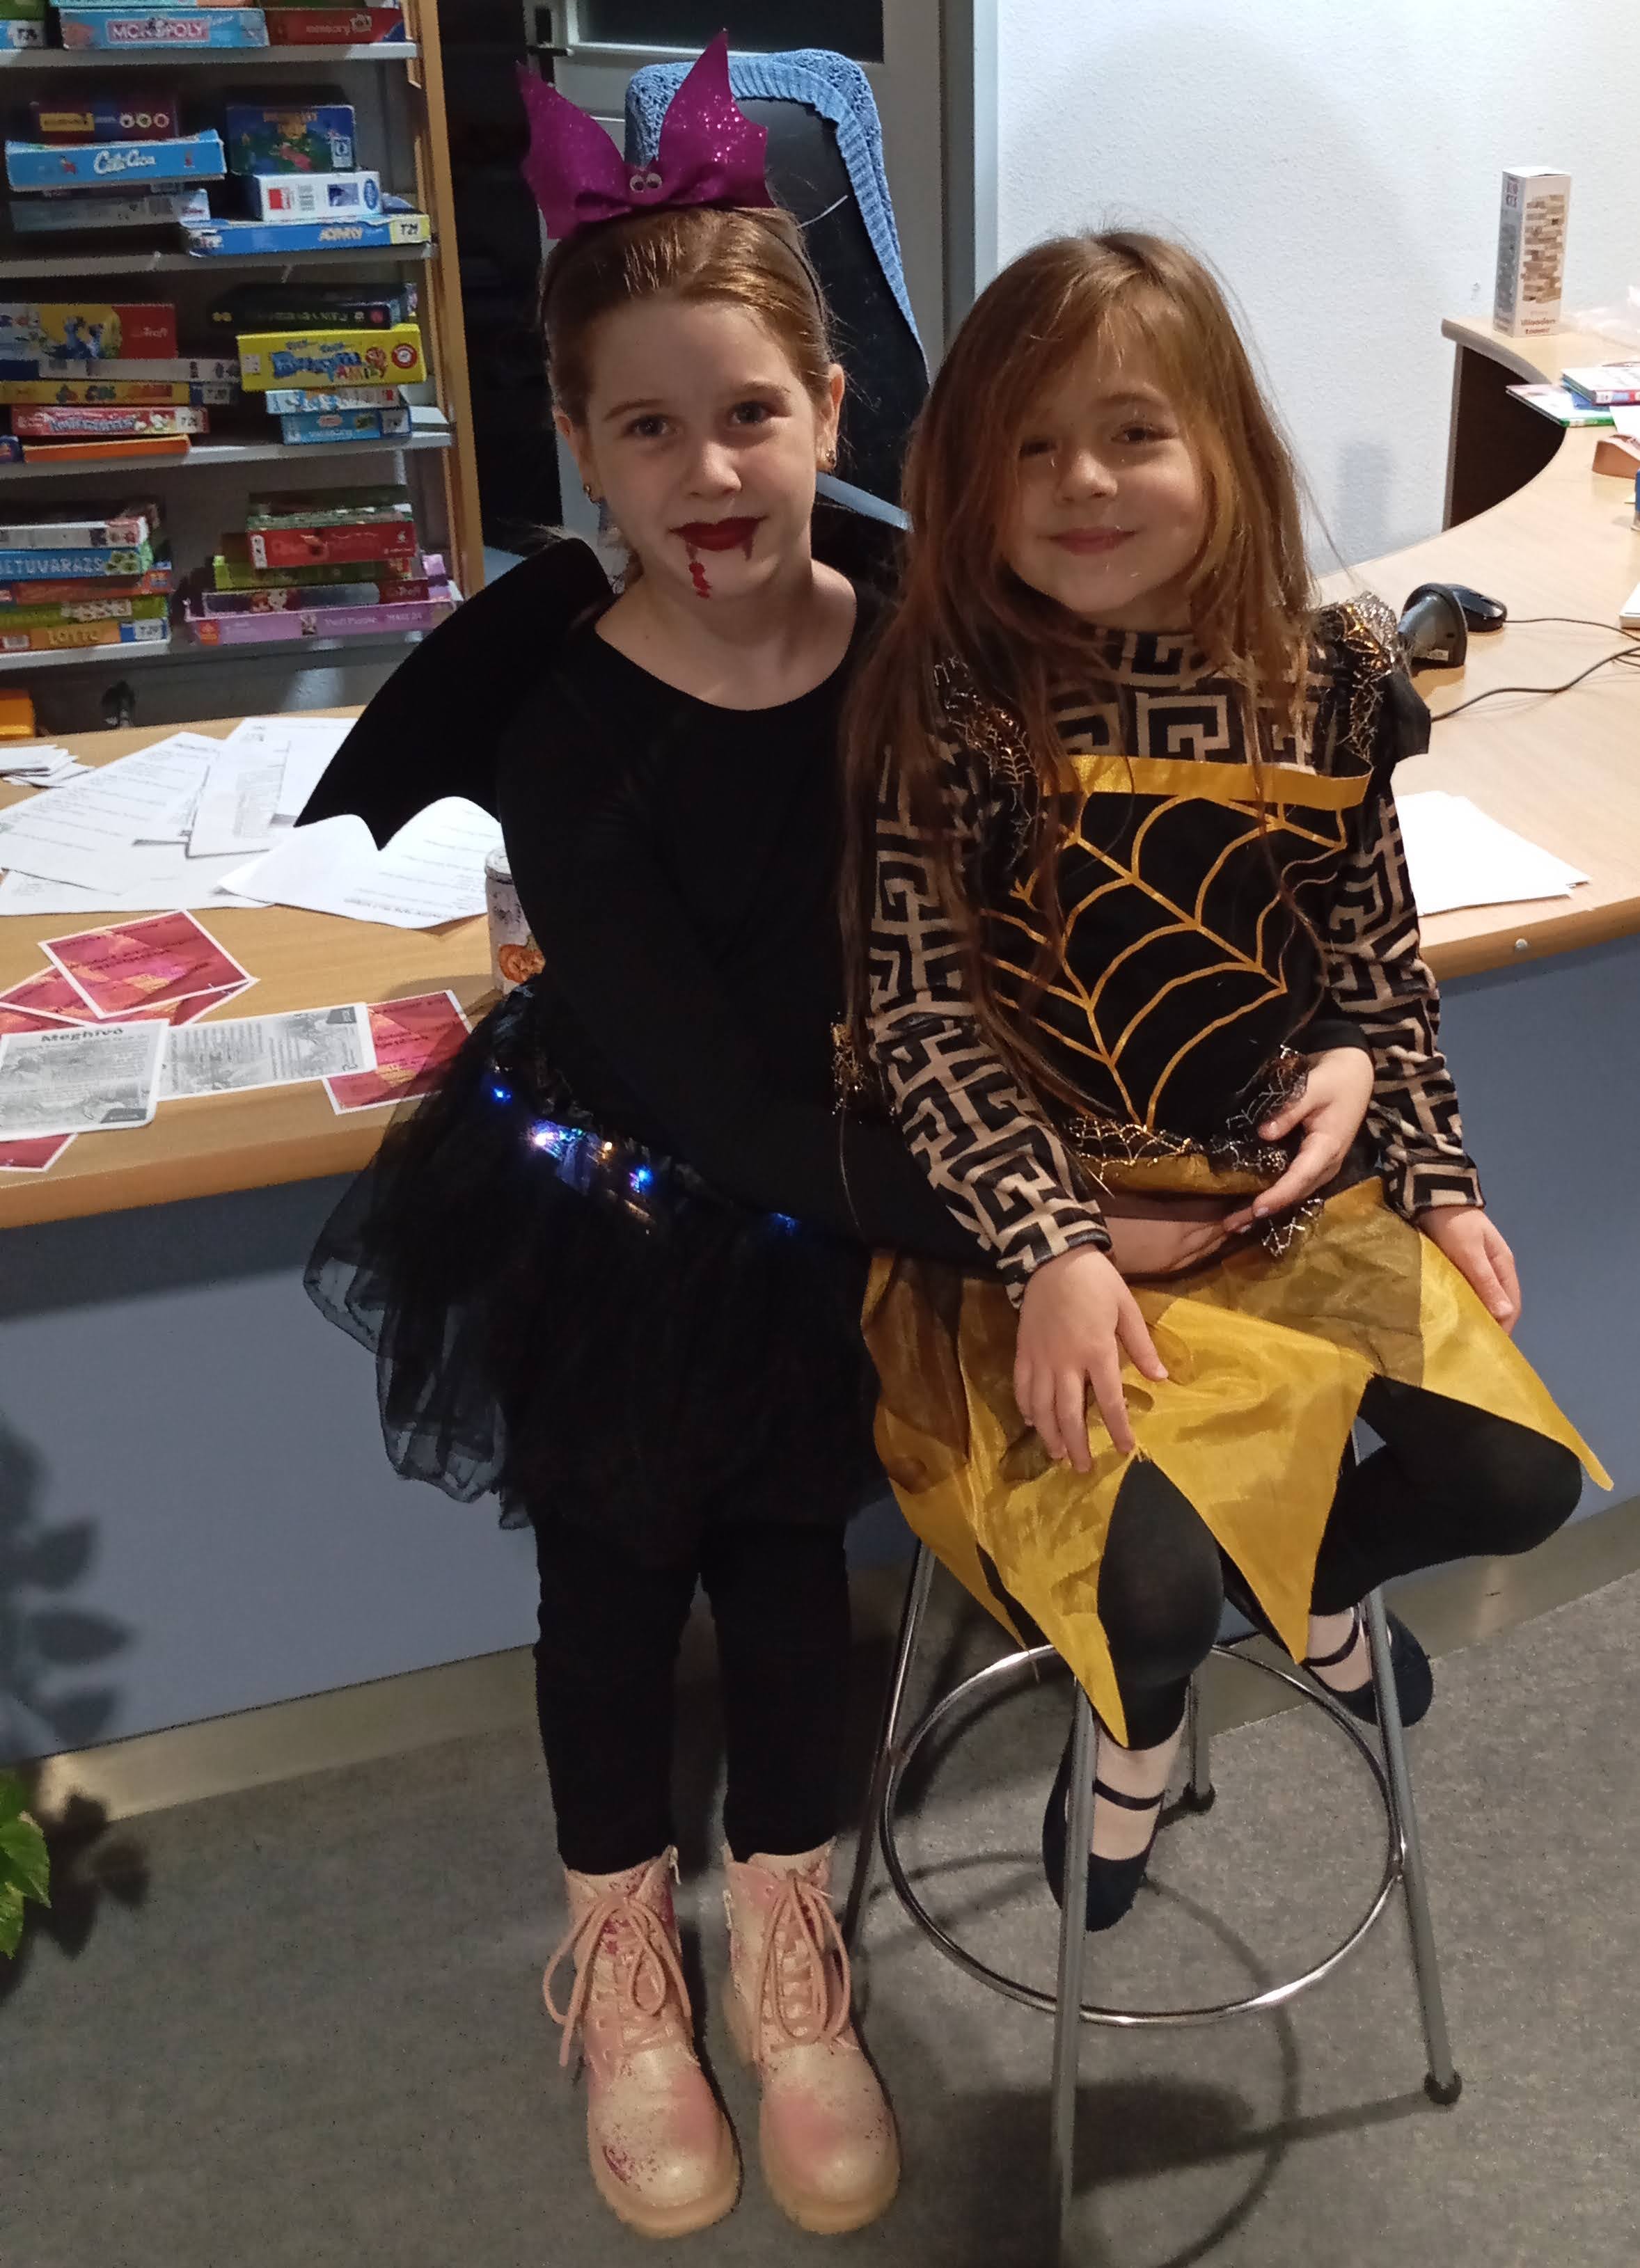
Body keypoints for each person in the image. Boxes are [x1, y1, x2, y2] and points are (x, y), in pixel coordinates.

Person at [304, 44, 978, 2242]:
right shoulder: (563, 716)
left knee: (790, 1569)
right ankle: (618, 1941)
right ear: (579, 448)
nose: (708, 469)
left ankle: (784, 1919)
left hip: (826, 1207)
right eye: (649, 427)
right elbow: (708, 1085)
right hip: (615, 1206)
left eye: (749, 413)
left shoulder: (915, 649)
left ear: (831, 412)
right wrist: (1015, 1217)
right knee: (609, 1582)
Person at [846, 231, 1607, 1933]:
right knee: (1153, 1600)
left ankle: (1316, 1596)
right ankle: (1137, 1734)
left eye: (1132, 432)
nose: (1081, 481)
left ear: (1226, 450)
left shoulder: (1324, 677)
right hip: (1040, 1232)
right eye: (1030, 445)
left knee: (1515, 1477)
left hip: (1272, 1209)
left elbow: (1370, 955)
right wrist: (1050, 1242)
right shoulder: (954, 697)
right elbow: (918, 1016)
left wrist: (1436, 1178)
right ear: (967, 477)